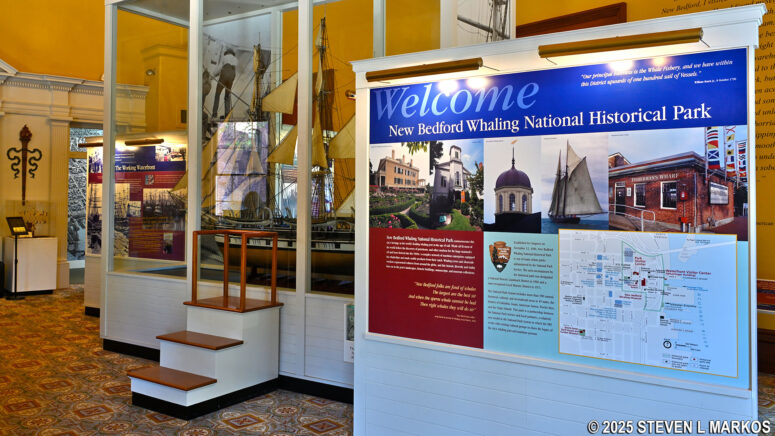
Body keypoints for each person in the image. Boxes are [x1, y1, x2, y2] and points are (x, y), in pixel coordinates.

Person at [212, 48, 237, 119]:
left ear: (227, 53)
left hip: (224, 74)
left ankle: (214, 113)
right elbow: (234, 72)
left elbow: (219, 68)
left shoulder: (224, 57)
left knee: (217, 94)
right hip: (231, 75)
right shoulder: (234, 59)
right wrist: (231, 80)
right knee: (227, 96)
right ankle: (227, 114)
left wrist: (213, 75)